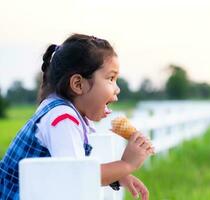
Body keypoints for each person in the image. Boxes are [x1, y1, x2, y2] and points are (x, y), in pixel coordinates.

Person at [0, 33, 154, 200]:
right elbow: (76, 176)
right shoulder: (63, 118)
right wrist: (126, 164)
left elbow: (78, 169)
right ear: (78, 84)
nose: (117, 89)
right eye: (111, 78)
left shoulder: (63, 111)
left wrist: (117, 176)